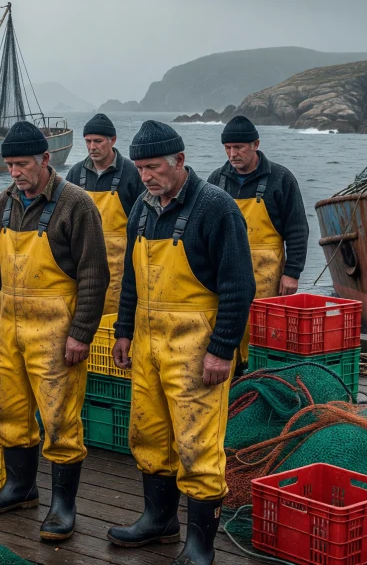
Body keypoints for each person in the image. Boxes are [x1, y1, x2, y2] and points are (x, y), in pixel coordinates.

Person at [108, 120, 255, 565]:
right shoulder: (141, 207)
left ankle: (200, 546)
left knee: (197, 445)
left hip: (196, 350)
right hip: (148, 345)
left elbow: (238, 286)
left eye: (153, 167)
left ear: (180, 161)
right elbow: (131, 278)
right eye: (140, 168)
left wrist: (222, 349)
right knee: (149, 434)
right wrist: (123, 329)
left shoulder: (216, 207)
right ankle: (159, 520)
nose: (145, 176)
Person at [0, 121, 108, 542]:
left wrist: (81, 333)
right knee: (9, 411)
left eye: (22, 164)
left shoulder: (77, 204)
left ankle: (63, 506)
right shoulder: (3, 203)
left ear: (45, 160)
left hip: (56, 332)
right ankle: (20, 488)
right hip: (10, 328)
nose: (15, 172)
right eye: (9, 165)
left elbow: (94, 275)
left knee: (60, 418)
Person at [207, 116, 307, 368]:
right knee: (227, 323)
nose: (232, 154)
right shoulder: (216, 180)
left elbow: (297, 229)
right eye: (227, 148)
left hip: (267, 273)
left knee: (265, 331)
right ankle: (233, 375)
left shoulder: (281, 178)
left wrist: (292, 272)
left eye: (239, 147)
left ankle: (262, 374)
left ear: (255, 144)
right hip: (225, 270)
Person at [66, 113, 144, 316]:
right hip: (82, 264)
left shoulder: (132, 173)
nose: (92, 147)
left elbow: (143, 225)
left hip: (120, 267)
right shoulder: (75, 174)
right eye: (88, 141)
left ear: (113, 140)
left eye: (98, 141)